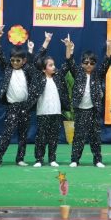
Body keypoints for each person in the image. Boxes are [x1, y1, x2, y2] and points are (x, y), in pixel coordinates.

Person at [0, 26, 36, 168]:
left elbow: (32, 63)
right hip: (12, 107)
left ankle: (20, 158)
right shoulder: (7, 69)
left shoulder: (27, 70)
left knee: (23, 135)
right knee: (7, 133)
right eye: (13, 60)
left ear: (23, 61)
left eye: (18, 60)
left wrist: (30, 51)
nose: (15, 63)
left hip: (24, 107)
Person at [28, 32, 73, 167]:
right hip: (43, 112)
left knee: (54, 137)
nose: (54, 67)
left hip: (56, 112)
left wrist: (68, 47)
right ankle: (39, 159)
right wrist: (46, 41)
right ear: (43, 69)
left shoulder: (58, 76)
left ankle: (52, 159)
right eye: (50, 65)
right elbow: (36, 60)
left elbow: (68, 64)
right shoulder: (38, 77)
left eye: (54, 65)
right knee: (41, 137)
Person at [68, 37, 110, 168]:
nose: (88, 65)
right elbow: (69, 61)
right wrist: (69, 48)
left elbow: (107, 62)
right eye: (86, 63)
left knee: (95, 137)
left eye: (92, 63)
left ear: (95, 64)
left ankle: (97, 160)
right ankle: (75, 160)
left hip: (93, 109)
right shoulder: (78, 73)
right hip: (80, 110)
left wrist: (109, 47)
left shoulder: (98, 74)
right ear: (81, 63)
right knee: (78, 136)